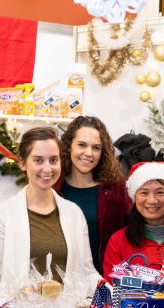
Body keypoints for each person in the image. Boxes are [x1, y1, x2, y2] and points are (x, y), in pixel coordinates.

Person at [0, 126, 101, 298]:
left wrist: (113, 295)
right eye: (39, 160)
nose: (48, 169)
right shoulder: (3, 214)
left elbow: (87, 272)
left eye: (54, 160)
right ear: (22, 163)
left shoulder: (74, 213)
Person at [54, 115, 131, 273]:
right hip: (60, 285)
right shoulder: (54, 187)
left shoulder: (117, 190)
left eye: (96, 147)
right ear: (69, 146)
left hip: (105, 283)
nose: (89, 153)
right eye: (82, 145)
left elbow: (131, 234)